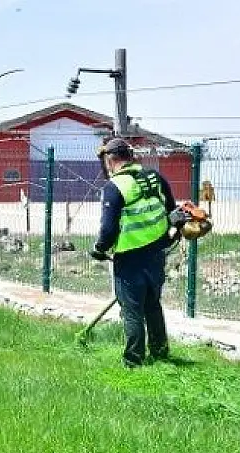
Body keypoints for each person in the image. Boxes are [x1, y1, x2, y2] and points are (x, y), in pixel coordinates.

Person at [89, 138, 177, 368]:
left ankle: (133, 361)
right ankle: (159, 351)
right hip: (157, 253)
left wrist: (99, 248)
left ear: (110, 160)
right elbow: (171, 210)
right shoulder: (154, 177)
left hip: (129, 257)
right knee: (153, 304)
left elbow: (108, 229)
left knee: (132, 310)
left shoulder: (114, 186)